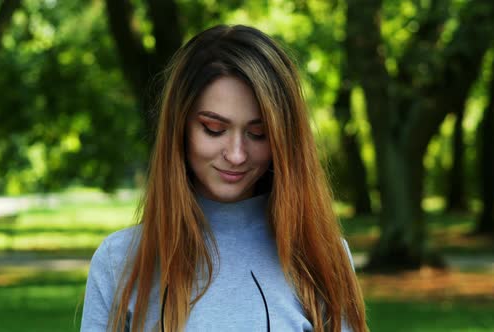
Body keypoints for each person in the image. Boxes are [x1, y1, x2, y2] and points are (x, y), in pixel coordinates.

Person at [81, 24, 368, 332]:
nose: (236, 154)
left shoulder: (323, 256)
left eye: (258, 134)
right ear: (180, 128)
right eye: (214, 129)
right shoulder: (120, 260)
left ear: (284, 141)